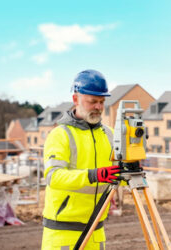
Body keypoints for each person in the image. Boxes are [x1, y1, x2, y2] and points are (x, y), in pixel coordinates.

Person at [41, 69, 122, 250]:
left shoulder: (108, 135)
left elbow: (116, 177)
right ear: (76, 100)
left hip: (96, 230)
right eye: (92, 101)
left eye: (101, 102)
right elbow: (53, 177)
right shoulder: (60, 135)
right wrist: (93, 175)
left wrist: (130, 172)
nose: (98, 107)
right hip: (62, 233)